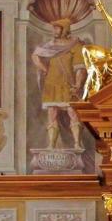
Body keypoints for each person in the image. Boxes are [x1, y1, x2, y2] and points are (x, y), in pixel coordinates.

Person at [32, 17, 86, 149]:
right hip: (51, 84)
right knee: (52, 113)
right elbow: (36, 55)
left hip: (68, 84)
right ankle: (51, 144)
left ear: (65, 29)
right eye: (54, 28)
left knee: (72, 112)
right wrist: (44, 69)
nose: (55, 30)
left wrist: (78, 84)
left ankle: (77, 143)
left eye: (57, 27)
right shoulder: (50, 46)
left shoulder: (75, 45)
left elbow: (80, 67)